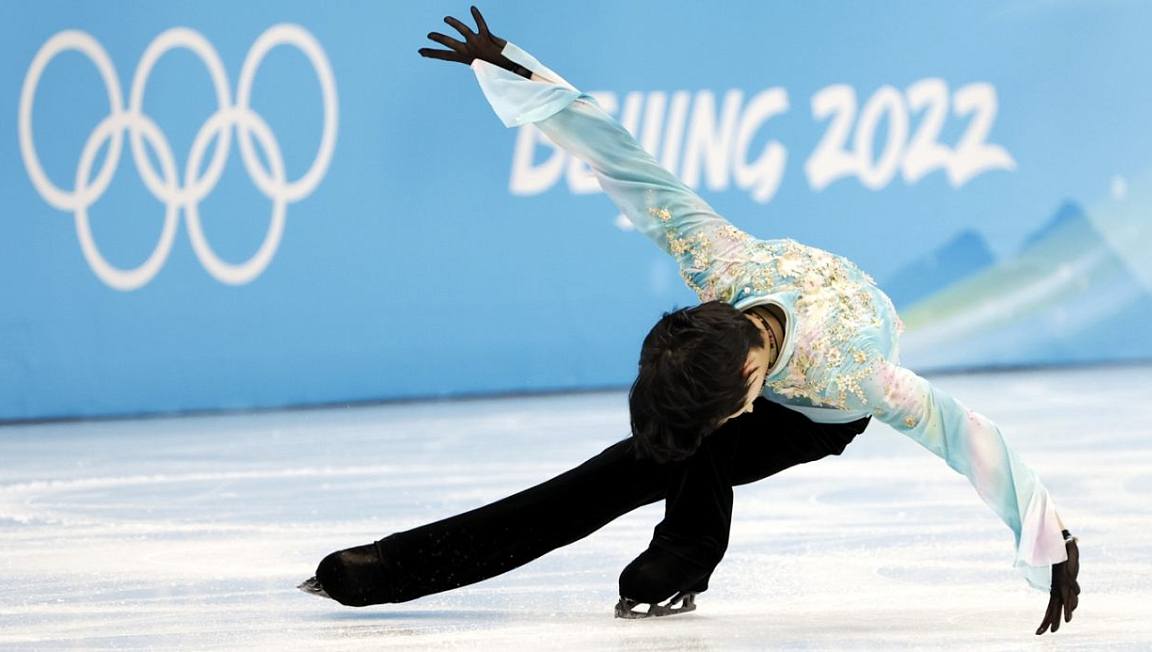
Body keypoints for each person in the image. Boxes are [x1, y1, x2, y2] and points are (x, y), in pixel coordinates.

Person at [303, 7, 1081, 635]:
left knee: (635, 471)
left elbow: (963, 434)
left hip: (812, 416)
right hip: (748, 363)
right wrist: (515, 68)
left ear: (748, 378)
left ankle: (683, 547)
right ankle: (401, 566)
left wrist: (1049, 537)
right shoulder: (721, 262)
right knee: (628, 465)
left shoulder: (852, 372)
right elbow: (624, 159)